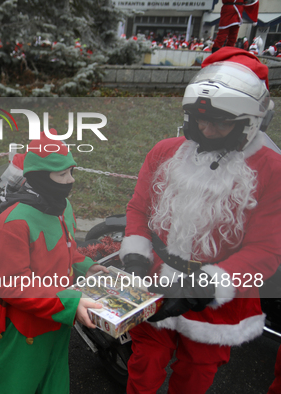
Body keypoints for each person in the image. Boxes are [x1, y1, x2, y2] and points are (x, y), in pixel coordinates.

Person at [119, 47, 281, 394]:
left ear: (251, 122)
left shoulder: (272, 170)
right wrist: (135, 255)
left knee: (196, 375)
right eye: (199, 117)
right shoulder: (165, 151)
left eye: (220, 122)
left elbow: (266, 250)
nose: (205, 129)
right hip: (156, 280)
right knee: (144, 365)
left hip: (218, 300)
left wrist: (202, 288)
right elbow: (138, 209)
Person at [0, 130, 108, 394]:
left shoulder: (63, 207)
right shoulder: (13, 223)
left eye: (71, 172)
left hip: (59, 317)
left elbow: (67, 249)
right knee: (16, 385)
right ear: (40, 176)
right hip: (26, 328)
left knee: (54, 383)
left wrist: (87, 267)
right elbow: (12, 285)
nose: (70, 181)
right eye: (62, 175)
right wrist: (69, 302)